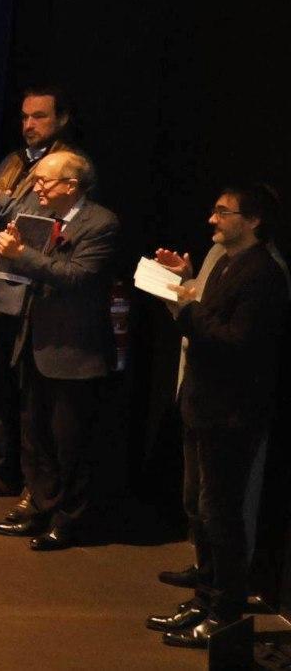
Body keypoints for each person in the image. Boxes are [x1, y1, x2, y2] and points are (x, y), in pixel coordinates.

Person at [145, 185, 289, 648]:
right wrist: (184, 291)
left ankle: (225, 614)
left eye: (223, 212)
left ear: (254, 221)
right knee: (198, 507)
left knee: (220, 514)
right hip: (203, 404)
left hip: (231, 413)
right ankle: (205, 597)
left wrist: (187, 308)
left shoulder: (263, 273)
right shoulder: (226, 262)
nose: (212, 219)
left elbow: (236, 342)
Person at [0, 87, 77, 504]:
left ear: (61, 119)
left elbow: (39, 221)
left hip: (29, 295)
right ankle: (3, 469)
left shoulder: (67, 164)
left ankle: (33, 482)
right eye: (25, 116)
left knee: (29, 397)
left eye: (39, 116)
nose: (29, 125)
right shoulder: (13, 160)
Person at [0, 151, 119, 550]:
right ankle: (41, 506)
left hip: (74, 351)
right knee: (35, 436)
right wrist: (12, 258)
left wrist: (21, 255)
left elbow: (76, 276)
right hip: (35, 341)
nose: (38, 187)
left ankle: (69, 520)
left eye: (45, 180)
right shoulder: (40, 217)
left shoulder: (100, 223)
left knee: (70, 443)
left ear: (71, 186)